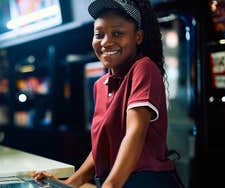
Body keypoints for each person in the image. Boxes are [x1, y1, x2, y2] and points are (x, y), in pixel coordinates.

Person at [33, 0, 184, 187]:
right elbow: (101, 149)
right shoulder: (100, 85)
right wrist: (69, 183)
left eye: (118, 33)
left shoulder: (143, 68)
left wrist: (111, 185)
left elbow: (134, 133)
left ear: (138, 37)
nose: (106, 42)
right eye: (99, 34)